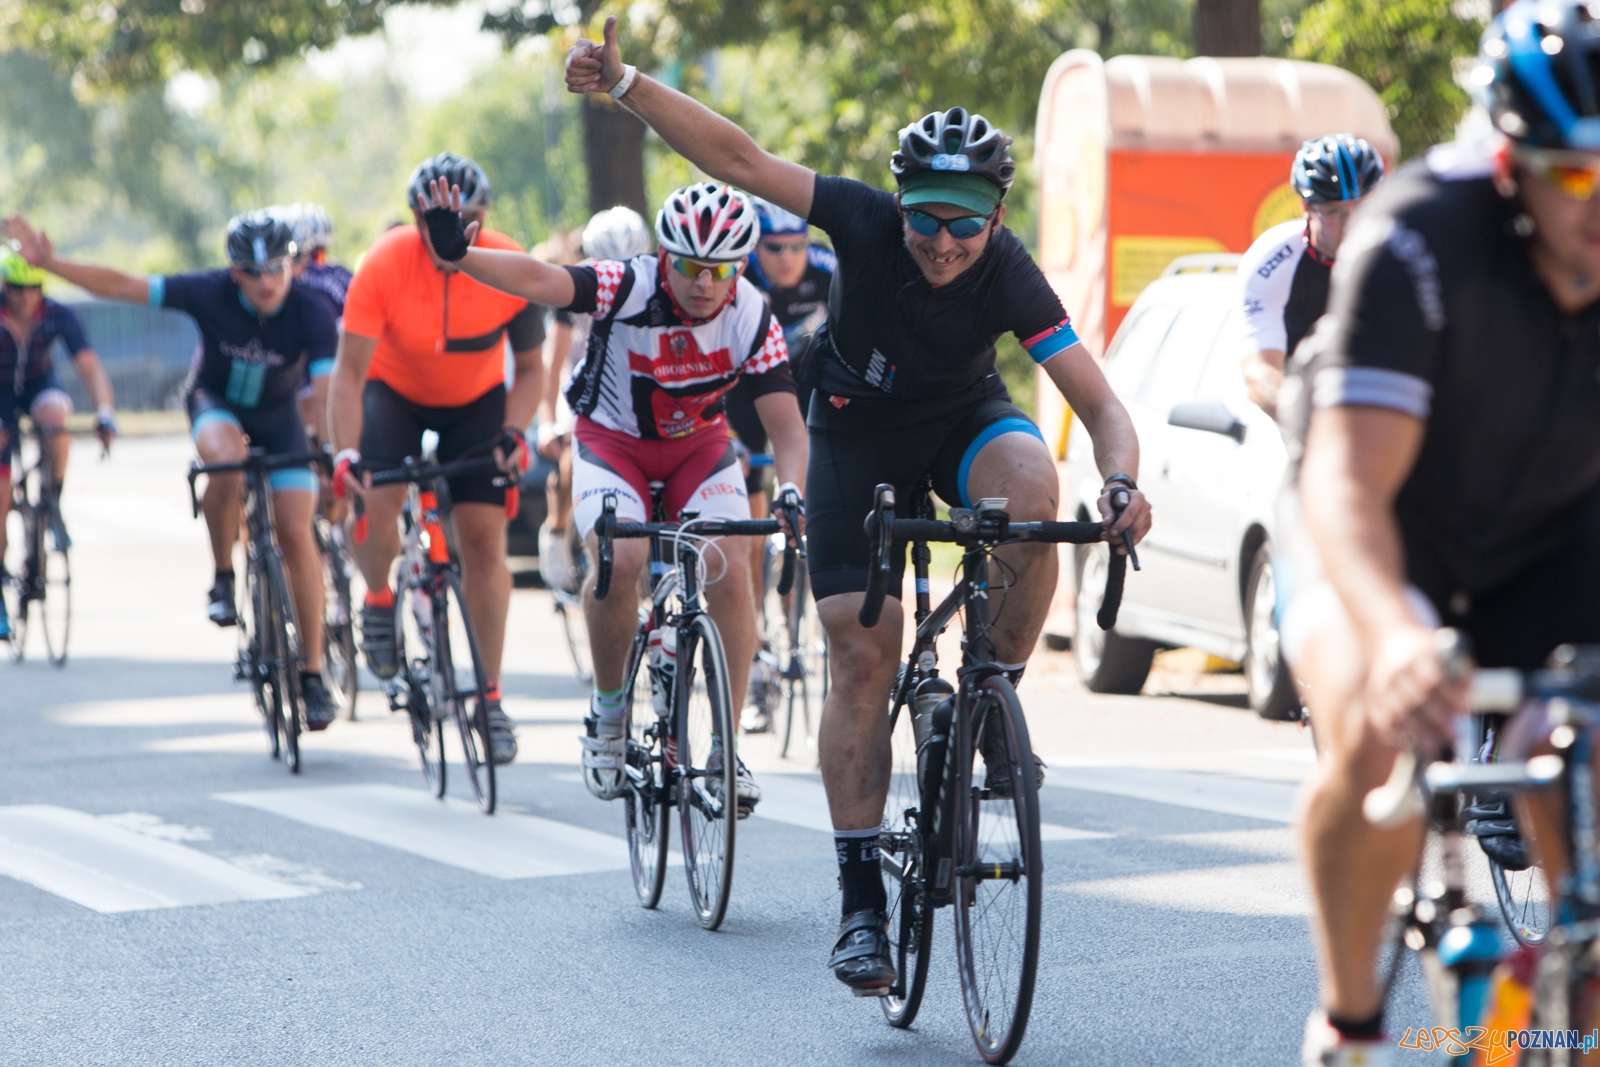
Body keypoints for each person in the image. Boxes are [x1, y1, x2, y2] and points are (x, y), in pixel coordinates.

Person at [564, 20, 1151, 996]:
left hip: (962, 419)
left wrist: (1122, 482)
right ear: (901, 204)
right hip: (851, 433)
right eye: (928, 216)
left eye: (966, 220)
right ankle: (860, 903)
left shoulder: (1005, 266)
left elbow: (1099, 407)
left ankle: (993, 693)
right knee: (859, 646)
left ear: (997, 211)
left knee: (1037, 492)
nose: (944, 241)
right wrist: (625, 81)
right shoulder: (867, 222)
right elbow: (739, 157)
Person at [1274, 3, 1600, 1062]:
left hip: (1545, 526)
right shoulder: (1415, 237)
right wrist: (1401, 634)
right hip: (1383, 521)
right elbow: (1350, 485)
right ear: (1512, 166)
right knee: (1377, 725)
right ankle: (1352, 1020)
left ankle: (1571, 991)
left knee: (1577, 745)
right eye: (1577, 176)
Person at [413, 176, 809, 816]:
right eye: (687, 266)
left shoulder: (752, 314)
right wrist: (461, 256)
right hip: (613, 442)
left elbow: (788, 426)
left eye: (720, 269)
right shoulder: (629, 284)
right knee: (619, 560)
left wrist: (790, 491)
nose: (704, 283)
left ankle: (725, 748)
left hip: (699, 447)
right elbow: (542, 280)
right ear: (663, 256)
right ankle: (608, 709)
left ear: (740, 266)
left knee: (734, 565)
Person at [2, 211, 340, 726]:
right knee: (223, 462)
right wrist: (52, 263)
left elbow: (329, 395)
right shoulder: (207, 292)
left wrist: (335, 457)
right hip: (216, 403)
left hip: (281, 416)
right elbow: (122, 284)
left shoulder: (310, 309)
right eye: (253, 272)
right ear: (233, 273)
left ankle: (313, 675)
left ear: (292, 266)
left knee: (297, 532)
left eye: (277, 268)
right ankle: (223, 577)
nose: (268, 281)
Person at [327, 152, 546, 767]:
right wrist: (346, 451)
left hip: (475, 403)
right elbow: (348, 376)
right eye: (434, 219)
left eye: (465, 219)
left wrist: (515, 430)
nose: (449, 232)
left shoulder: (508, 263)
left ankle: (490, 698)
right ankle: (376, 596)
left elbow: (529, 370)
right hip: (393, 394)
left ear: (485, 219)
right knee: (374, 502)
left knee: (483, 542)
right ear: (413, 219)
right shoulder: (386, 263)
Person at [729, 197, 836, 732]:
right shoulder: (735, 275)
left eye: (798, 244)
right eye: (776, 248)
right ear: (755, 248)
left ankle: (804, 623)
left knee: (815, 519)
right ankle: (755, 668)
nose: (790, 257)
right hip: (746, 408)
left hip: (806, 405)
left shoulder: (826, 269)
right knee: (749, 544)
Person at [0, 249, 116, 640]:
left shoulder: (57, 315)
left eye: (34, 288)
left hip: (37, 385)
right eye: (17, 289)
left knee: (55, 417)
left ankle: (53, 499)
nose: (25, 297)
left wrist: (105, 411)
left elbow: (88, 366)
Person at [534, 210, 651, 594]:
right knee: (571, 454)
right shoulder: (573, 287)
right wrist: (549, 420)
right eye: (608, 265)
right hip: (581, 377)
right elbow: (553, 364)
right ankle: (556, 527)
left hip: (630, 380)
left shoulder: (657, 284)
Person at [1240, 135, 1385, 417]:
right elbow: (1259, 371)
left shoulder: (1399, 252)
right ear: (1306, 208)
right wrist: (1306, 420)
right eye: (1335, 212)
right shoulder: (1272, 261)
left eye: (1364, 207)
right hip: (1298, 406)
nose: (1352, 224)